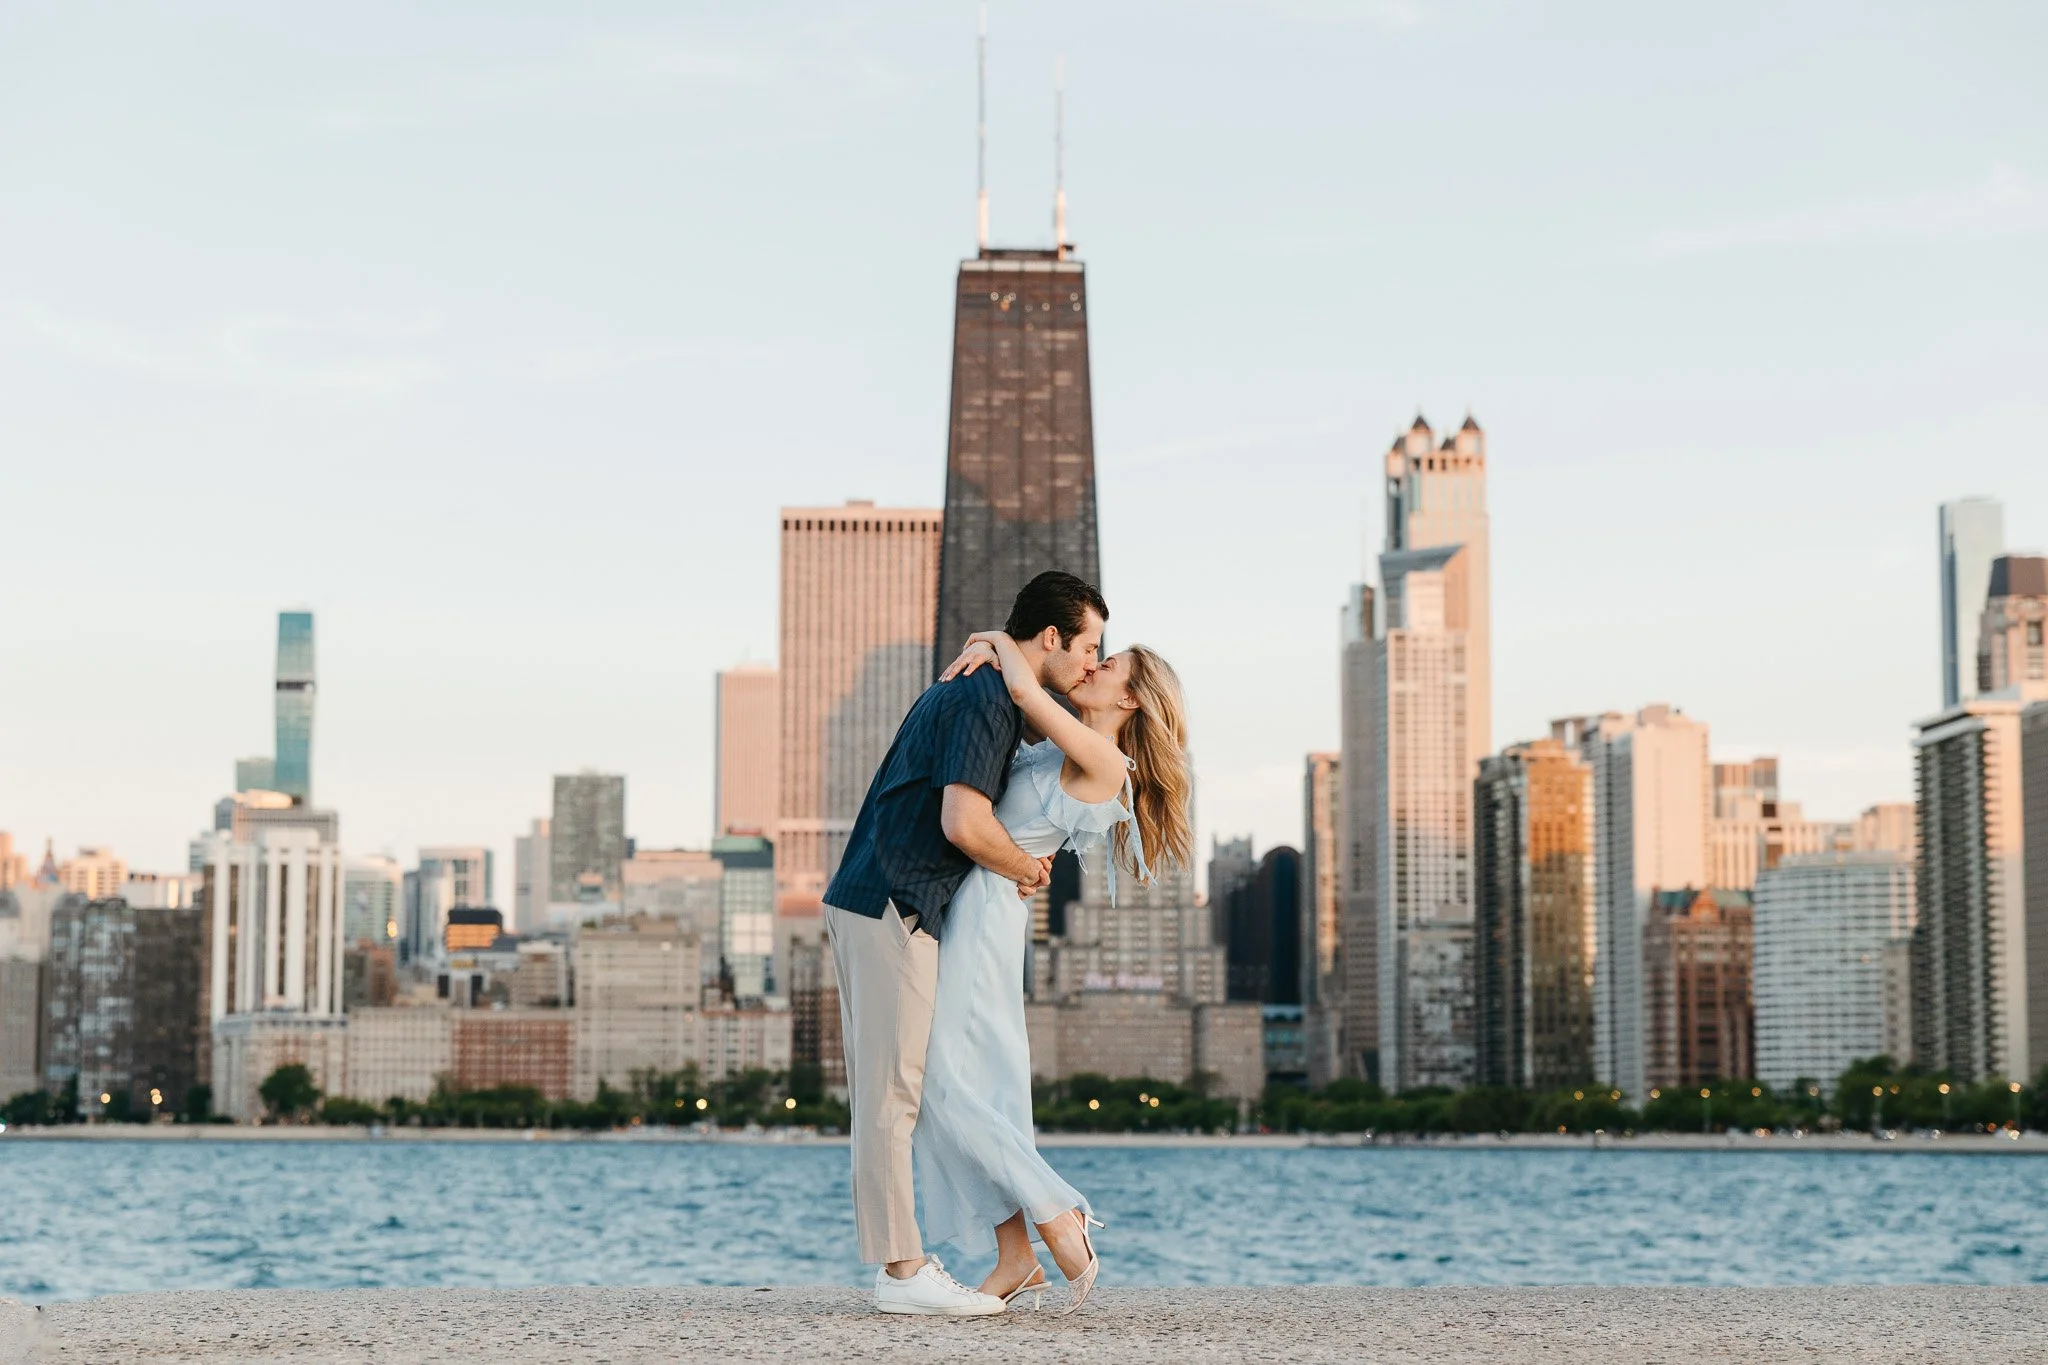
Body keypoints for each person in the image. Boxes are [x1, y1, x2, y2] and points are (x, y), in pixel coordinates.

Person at [821, 570, 1107, 1316]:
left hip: (888, 896)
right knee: (896, 1094)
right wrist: (1026, 866)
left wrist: (992, 643)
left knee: (904, 1090)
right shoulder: (983, 698)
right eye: (1088, 646)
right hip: (896, 899)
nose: (1090, 663)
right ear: (1050, 637)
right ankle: (903, 1270)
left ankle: (974, 1257)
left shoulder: (989, 691)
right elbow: (962, 823)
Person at [916, 626, 1193, 1315]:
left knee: (940, 1088)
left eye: (1109, 664)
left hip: (985, 919)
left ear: (1131, 698)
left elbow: (1020, 686)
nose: (1092, 666)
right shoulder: (1066, 742)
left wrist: (995, 638)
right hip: (976, 906)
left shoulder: (1104, 759)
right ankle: (1016, 1257)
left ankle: (1057, 1214)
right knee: (979, 1093)